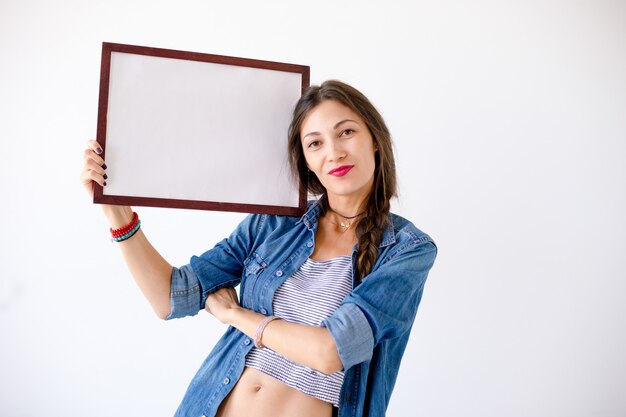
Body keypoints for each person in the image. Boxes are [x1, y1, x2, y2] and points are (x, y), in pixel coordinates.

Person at [80, 80, 437, 417]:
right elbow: (170, 297)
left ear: (374, 138)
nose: (334, 152)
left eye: (346, 132)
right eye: (315, 143)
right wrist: (116, 210)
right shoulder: (275, 223)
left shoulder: (407, 250)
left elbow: (330, 351)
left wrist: (237, 316)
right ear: (307, 160)